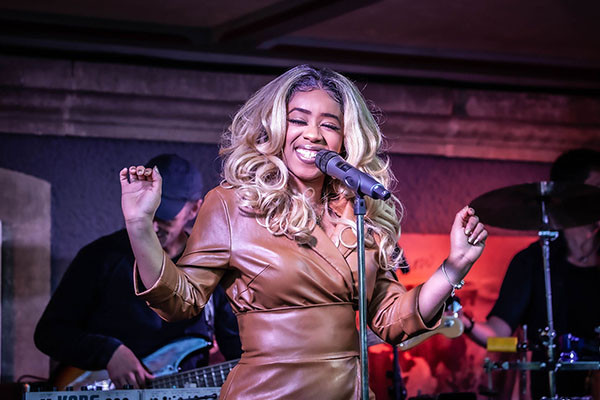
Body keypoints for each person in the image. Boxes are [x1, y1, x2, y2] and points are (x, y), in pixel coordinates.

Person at [120, 65, 488, 399]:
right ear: (276, 128)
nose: (313, 134)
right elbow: (179, 301)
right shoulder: (233, 204)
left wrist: (453, 267)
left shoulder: (359, 212)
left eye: (329, 125)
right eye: (298, 120)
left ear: (345, 138)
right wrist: (140, 227)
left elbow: (393, 321)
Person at [34, 154, 242, 390]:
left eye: (164, 215)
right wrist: (109, 352)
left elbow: (238, 349)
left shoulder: (210, 264)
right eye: (146, 211)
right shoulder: (101, 257)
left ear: (194, 209)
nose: (152, 224)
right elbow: (49, 333)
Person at [461, 148, 600, 399]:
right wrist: (464, 323)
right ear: (568, 195)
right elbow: (498, 335)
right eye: (596, 188)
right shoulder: (532, 262)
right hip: (552, 391)